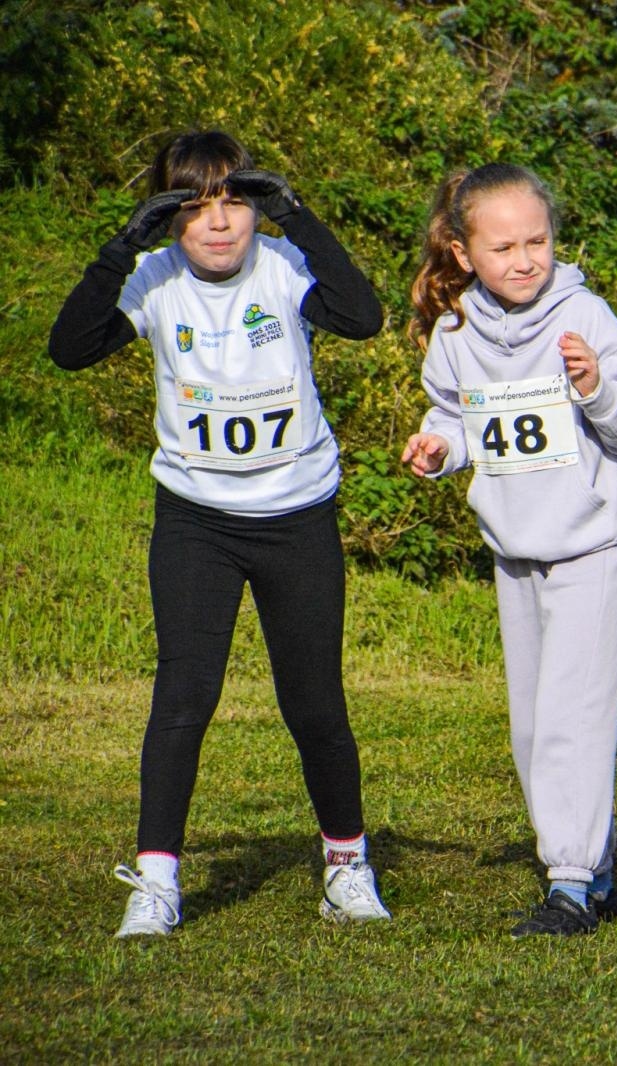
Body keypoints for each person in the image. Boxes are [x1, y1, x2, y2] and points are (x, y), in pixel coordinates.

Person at [48, 130, 391, 936]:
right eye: (194, 205)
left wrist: (298, 219)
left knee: (313, 703)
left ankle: (347, 864)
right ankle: (158, 882)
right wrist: (122, 245)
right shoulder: (154, 277)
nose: (217, 222)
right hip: (197, 521)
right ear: (169, 218)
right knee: (184, 695)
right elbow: (69, 350)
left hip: (297, 515)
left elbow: (363, 318)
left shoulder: (282, 262)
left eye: (234, 200)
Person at [400, 163, 617, 937]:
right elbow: (452, 416)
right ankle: (599, 872)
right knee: (530, 727)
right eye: (505, 246)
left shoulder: (585, 314)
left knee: (571, 719)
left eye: (538, 241)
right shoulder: (456, 335)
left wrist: (593, 388)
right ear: (462, 253)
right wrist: (436, 449)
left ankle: (571, 887)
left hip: (593, 545)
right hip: (515, 550)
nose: (525, 259)